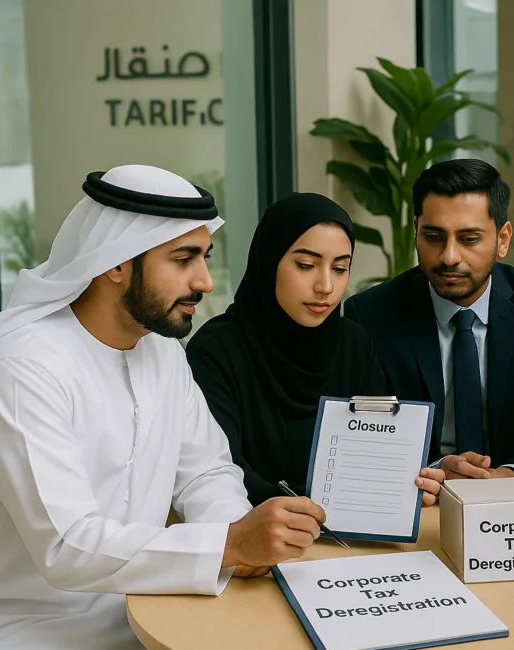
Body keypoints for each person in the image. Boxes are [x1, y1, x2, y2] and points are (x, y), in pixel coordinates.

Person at [0, 166, 327, 650]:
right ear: (116, 265)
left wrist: (243, 545)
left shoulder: (162, 352)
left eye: (204, 257)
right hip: (38, 632)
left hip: (158, 604)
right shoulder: (23, 365)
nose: (206, 281)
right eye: (183, 259)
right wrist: (229, 545)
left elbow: (205, 472)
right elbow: (67, 545)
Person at [185, 192, 444, 506]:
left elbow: (379, 451)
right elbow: (218, 472)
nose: (326, 286)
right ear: (269, 262)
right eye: (306, 265)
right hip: (253, 530)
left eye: (339, 268)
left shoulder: (354, 344)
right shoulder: (216, 350)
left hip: (350, 532)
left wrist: (416, 479)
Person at [343, 158, 514, 486]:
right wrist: (436, 470)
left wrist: (508, 476)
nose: (449, 256)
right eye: (434, 236)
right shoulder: (371, 315)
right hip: (422, 496)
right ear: (416, 231)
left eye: (469, 239)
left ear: (503, 239)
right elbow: (366, 439)